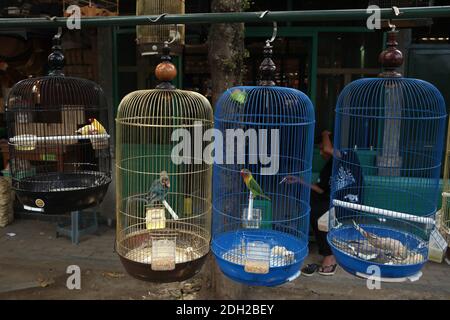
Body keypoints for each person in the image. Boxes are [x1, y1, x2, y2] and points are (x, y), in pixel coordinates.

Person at [281, 130, 363, 276]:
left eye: (321, 148)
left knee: (319, 211)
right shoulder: (328, 168)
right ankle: (297, 236)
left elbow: (327, 149)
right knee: (310, 201)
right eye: (319, 149)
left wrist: (325, 133)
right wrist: (299, 181)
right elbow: (320, 189)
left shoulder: (348, 155)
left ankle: (329, 256)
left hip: (348, 205)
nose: (321, 152)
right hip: (332, 203)